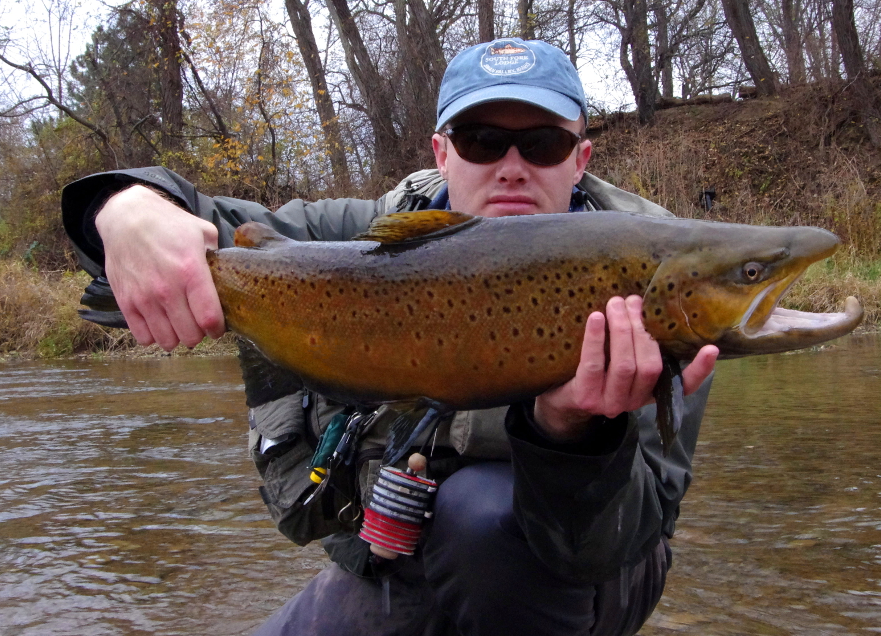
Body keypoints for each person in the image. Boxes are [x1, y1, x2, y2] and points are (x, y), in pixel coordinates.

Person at [62, 38, 718, 636]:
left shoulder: (660, 273)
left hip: (585, 573)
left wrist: (574, 434)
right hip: (398, 560)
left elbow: (631, 532)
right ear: (441, 153)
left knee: (480, 520)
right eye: (481, 140)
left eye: (543, 143)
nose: (512, 167)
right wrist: (125, 209)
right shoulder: (364, 235)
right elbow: (206, 223)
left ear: (580, 158)